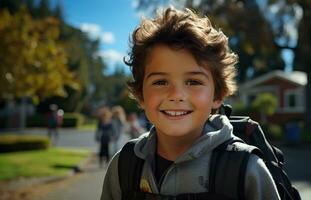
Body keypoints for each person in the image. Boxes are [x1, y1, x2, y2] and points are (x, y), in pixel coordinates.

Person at [101, 7, 280, 200]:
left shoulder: (246, 170)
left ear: (217, 95)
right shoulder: (124, 165)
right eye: (160, 82)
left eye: (193, 82)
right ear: (140, 95)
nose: (176, 95)